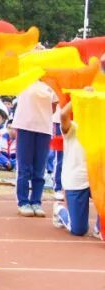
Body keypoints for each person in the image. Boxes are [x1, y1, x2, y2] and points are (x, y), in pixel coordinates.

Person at [53, 98, 101, 238]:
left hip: (96, 180)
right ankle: (60, 210)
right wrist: (79, 97)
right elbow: (63, 114)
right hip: (76, 180)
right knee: (79, 230)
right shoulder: (73, 127)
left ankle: (99, 227)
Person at [12, 80, 56, 217]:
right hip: (25, 127)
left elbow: (53, 107)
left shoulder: (52, 84)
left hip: (44, 128)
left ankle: (36, 201)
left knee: (39, 169)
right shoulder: (25, 79)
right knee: (24, 168)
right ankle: (23, 202)